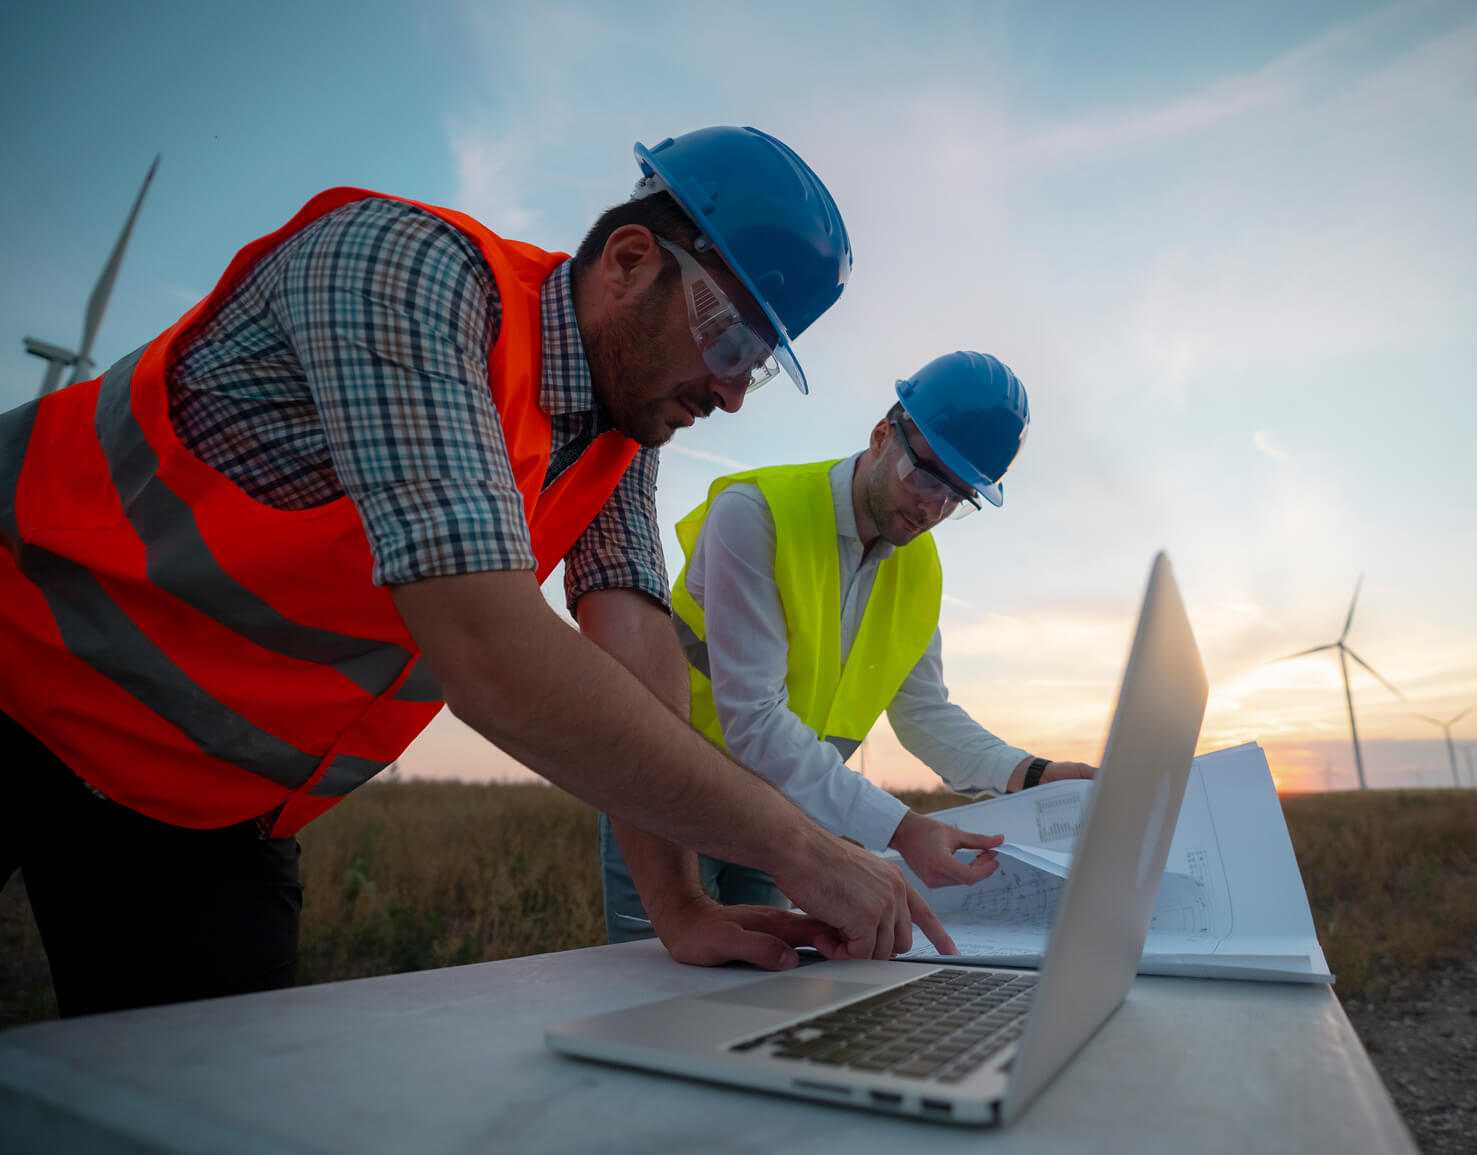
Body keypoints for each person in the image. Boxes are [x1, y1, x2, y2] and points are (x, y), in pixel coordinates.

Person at [0, 125, 953, 1018]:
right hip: (19, 674)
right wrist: (799, 845)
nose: (734, 394)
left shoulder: (619, 426)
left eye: (761, 368)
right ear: (628, 263)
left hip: (198, 797)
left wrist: (679, 902)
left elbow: (634, 639)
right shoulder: (404, 273)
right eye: (734, 342)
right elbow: (491, 652)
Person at [600, 351, 1095, 944]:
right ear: (883, 435)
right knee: (650, 995)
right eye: (928, 477)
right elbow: (752, 720)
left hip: (780, 815)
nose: (932, 509)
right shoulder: (755, 516)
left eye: (957, 498)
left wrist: (1033, 774)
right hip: (670, 798)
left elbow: (925, 717)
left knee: (764, 993)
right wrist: (902, 828)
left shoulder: (919, 573)